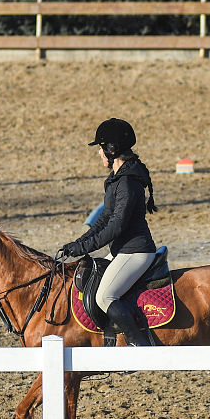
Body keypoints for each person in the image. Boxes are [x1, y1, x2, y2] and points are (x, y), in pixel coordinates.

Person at [58, 118, 159, 346]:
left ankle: (138, 345)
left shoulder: (127, 183)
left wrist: (83, 247)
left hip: (135, 252)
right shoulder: (116, 179)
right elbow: (104, 218)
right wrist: (76, 243)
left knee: (105, 296)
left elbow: (116, 226)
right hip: (121, 251)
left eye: (101, 149)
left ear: (111, 150)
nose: (99, 154)